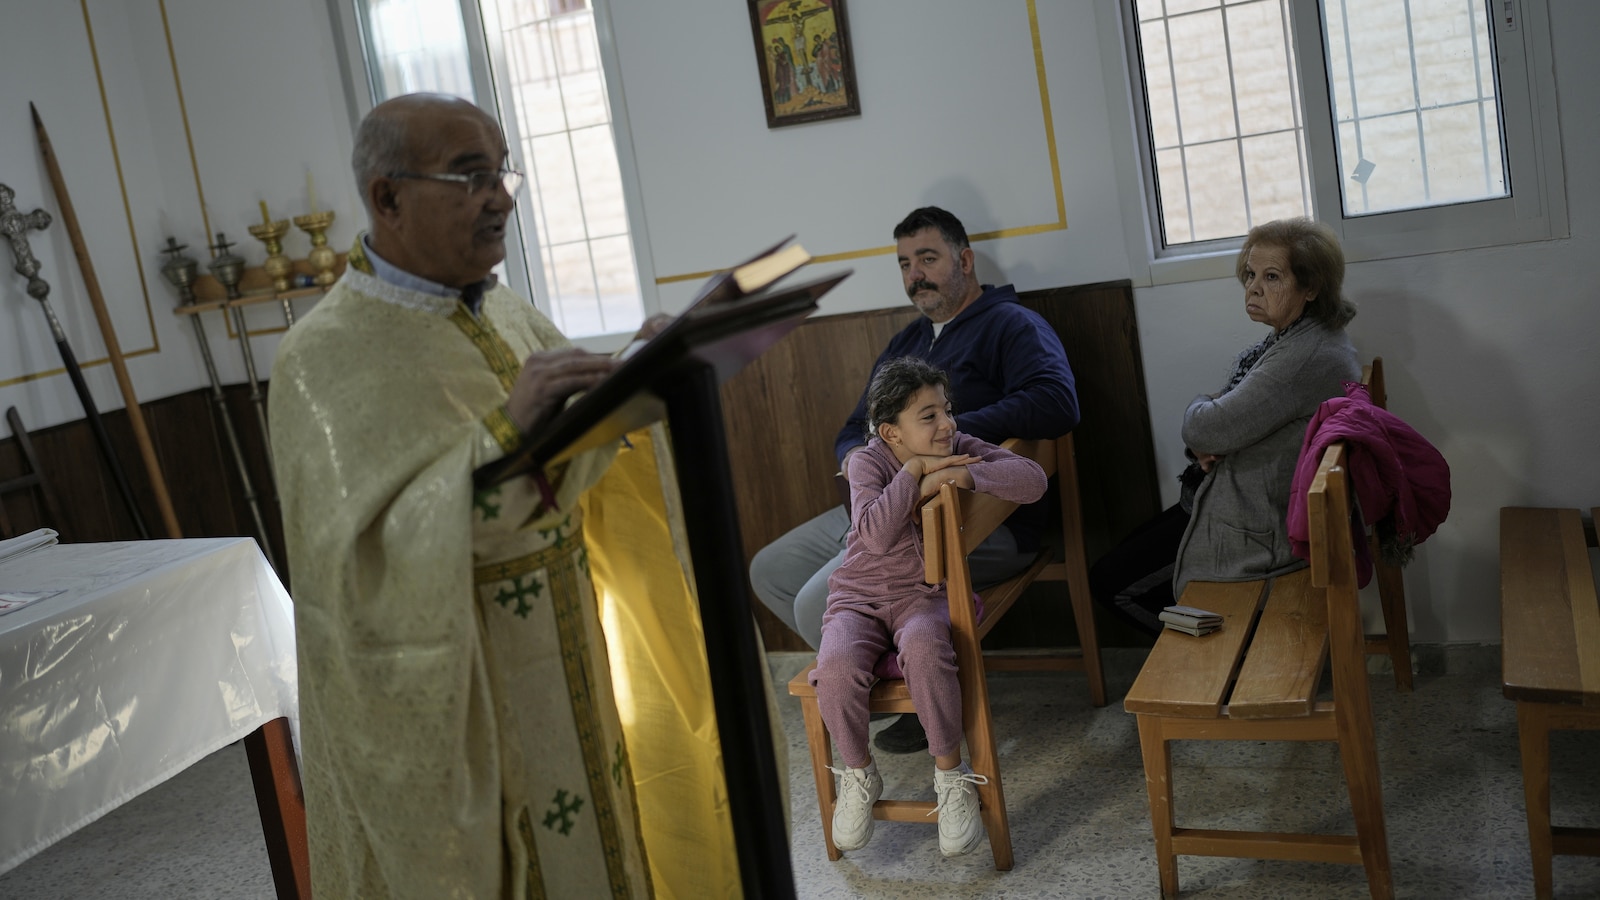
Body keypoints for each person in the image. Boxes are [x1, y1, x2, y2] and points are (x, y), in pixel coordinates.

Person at [271, 93, 673, 899]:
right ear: (387, 197)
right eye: (470, 176)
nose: (502, 198)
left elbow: (565, 462)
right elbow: (358, 571)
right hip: (465, 689)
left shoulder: (509, 311)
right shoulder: (320, 361)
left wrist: (633, 378)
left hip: (564, 657)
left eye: (502, 172)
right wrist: (501, 434)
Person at [748, 205, 1077, 754]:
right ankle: (901, 675)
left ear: (965, 260)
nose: (914, 274)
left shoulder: (1012, 325)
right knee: (771, 569)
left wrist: (945, 434)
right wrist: (865, 466)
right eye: (904, 263)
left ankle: (919, 692)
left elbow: (1056, 402)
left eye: (928, 258)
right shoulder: (907, 342)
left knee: (813, 605)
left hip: (970, 519)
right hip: (884, 505)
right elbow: (857, 427)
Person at [809, 357, 1047, 858]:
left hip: (923, 597)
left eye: (947, 410)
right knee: (834, 667)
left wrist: (967, 479)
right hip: (858, 597)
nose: (949, 425)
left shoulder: (957, 447)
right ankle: (857, 774)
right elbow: (873, 535)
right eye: (929, 416)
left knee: (924, 646)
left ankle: (951, 774)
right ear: (892, 433)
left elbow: (1032, 480)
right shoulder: (867, 462)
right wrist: (916, 474)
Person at [1089, 217, 1360, 635]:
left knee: (1112, 583)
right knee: (1121, 557)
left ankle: (1213, 654)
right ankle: (1212, 648)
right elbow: (1221, 420)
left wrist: (1202, 413)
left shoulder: (1305, 356)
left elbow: (1206, 428)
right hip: (1234, 499)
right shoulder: (1297, 338)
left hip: (1253, 526)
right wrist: (1209, 425)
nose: (1253, 287)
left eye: (1272, 277)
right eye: (1250, 274)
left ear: (1311, 287)